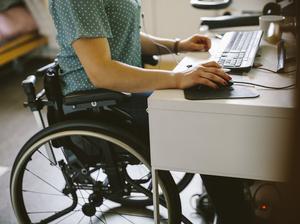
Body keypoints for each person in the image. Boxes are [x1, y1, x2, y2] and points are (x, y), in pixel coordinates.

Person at [49, 0, 254, 223]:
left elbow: (123, 36)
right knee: (203, 125)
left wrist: (178, 45)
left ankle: (227, 201)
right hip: (97, 102)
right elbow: (102, 73)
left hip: (120, 93)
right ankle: (235, 214)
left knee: (209, 109)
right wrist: (177, 78)